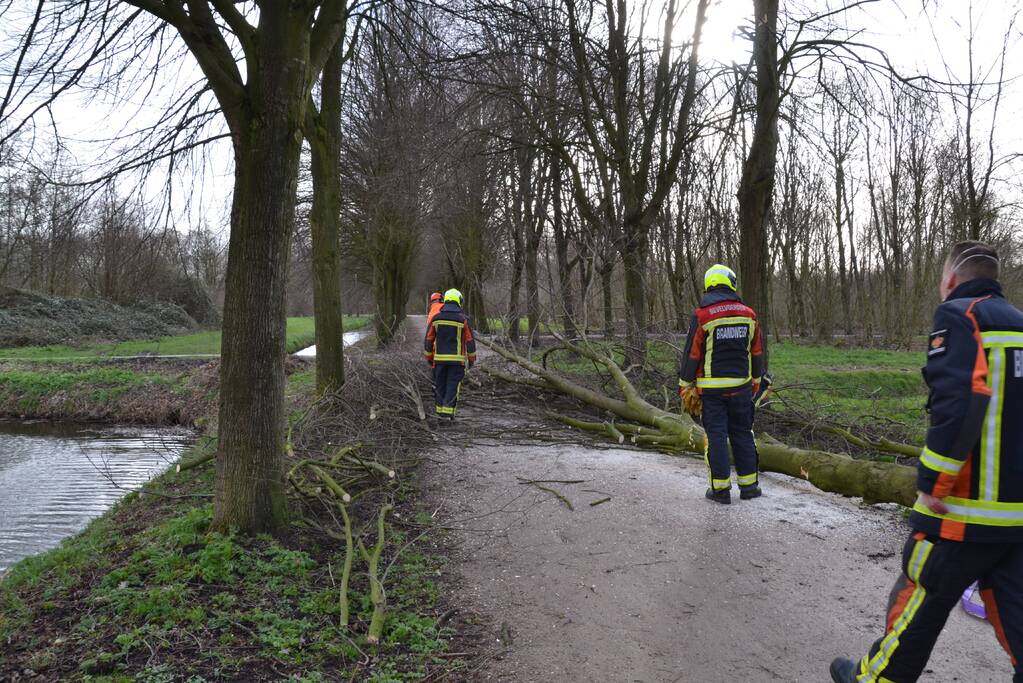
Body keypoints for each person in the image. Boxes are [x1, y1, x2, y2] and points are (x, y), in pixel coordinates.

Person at [830, 241, 1023, 683]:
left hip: (963, 511)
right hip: (1016, 516)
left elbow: (960, 400)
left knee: (919, 598)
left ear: (951, 279)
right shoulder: (1019, 324)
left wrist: (934, 481)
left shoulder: (959, 316)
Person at [678, 264, 767, 505]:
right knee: (743, 434)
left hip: (712, 391)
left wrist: (684, 384)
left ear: (709, 285)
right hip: (741, 388)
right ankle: (749, 487)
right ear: (731, 283)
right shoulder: (749, 314)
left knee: (716, 436)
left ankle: (720, 491)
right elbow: (757, 352)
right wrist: (756, 380)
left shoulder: (703, 316)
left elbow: (692, 354)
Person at [424, 288, 476, 421]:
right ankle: (448, 415)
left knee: (440, 385)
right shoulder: (463, 319)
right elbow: (470, 341)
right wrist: (471, 360)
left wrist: (429, 358)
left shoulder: (436, 318)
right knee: (452, 386)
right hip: (456, 362)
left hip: (439, 361)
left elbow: (428, 340)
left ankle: (439, 414)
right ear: (459, 301)